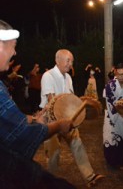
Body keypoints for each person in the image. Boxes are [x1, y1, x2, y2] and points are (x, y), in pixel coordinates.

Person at [0, 19, 75, 188]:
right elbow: (21, 134)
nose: (15, 53)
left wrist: (31, 119)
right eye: (13, 45)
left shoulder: (68, 77)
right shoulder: (48, 76)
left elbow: (10, 122)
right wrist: (57, 125)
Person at [39, 49, 104, 187]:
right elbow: (51, 101)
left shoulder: (68, 77)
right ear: (57, 60)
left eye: (72, 61)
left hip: (67, 119)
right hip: (51, 120)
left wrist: (80, 108)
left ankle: (90, 177)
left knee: (77, 144)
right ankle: (49, 183)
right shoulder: (48, 75)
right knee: (53, 154)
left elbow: (70, 99)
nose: (70, 64)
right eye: (68, 60)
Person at [103, 63, 123, 170]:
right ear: (115, 72)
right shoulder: (110, 85)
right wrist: (120, 106)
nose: (121, 77)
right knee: (110, 137)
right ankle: (111, 162)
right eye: (119, 74)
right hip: (111, 115)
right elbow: (109, 100)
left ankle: (122, 162)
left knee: (122, 137)